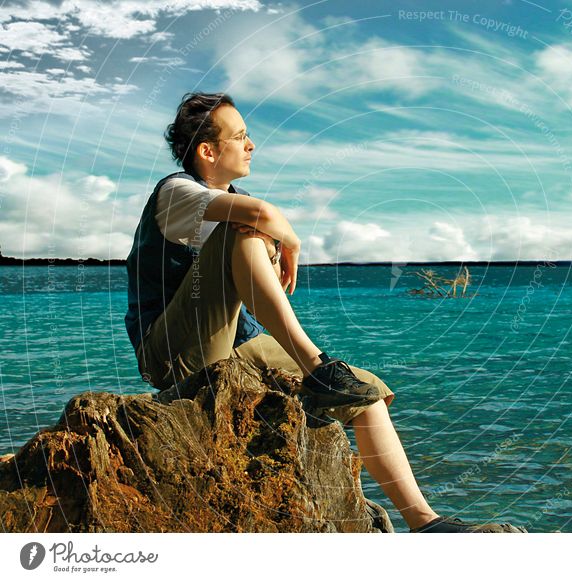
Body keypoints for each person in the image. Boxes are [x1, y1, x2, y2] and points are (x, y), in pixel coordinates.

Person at [124, 92, 519, 533]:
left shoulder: (239, 203)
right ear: (208, 151)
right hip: (174, 352)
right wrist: (288, 242)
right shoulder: (176, 193)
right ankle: (316, 366)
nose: (251, 144)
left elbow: (260, 272)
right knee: (245, 230)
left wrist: (270, 248)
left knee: (364, 391)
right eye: (240, 136)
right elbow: (261, 213)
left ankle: (424, 521)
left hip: (239, 345)